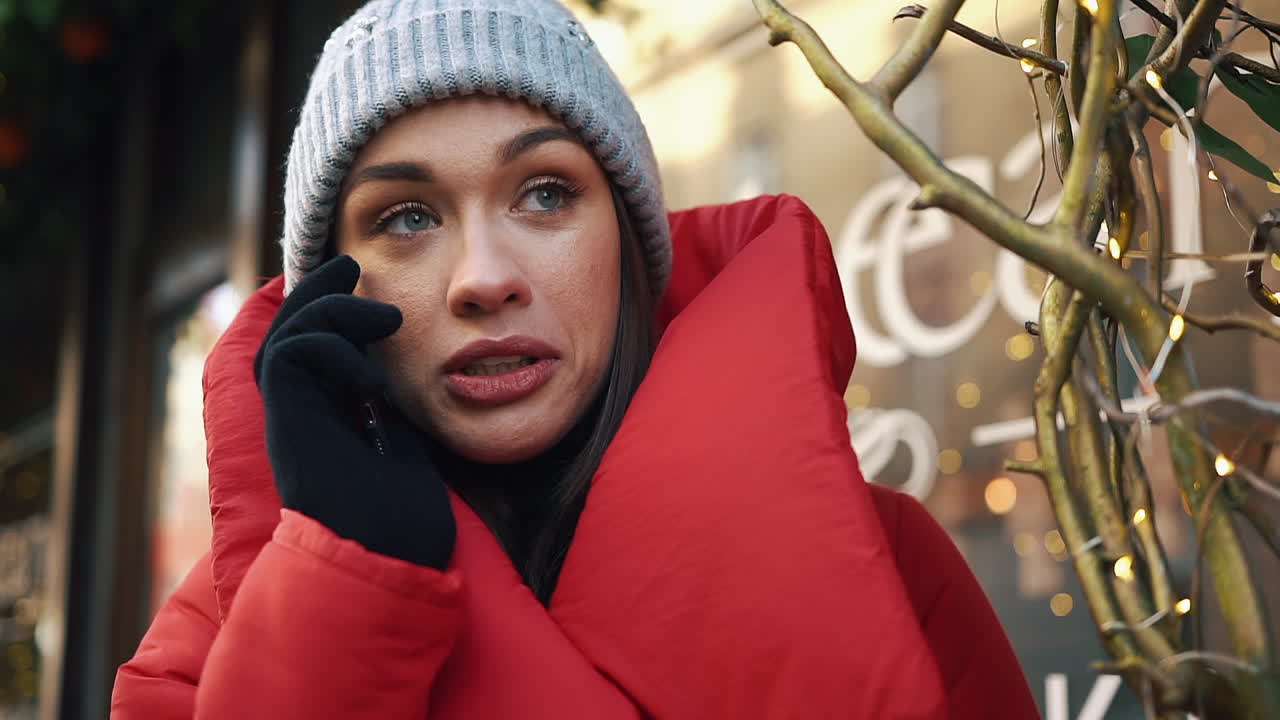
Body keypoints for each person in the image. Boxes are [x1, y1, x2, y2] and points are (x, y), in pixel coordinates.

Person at [110, 0, 1039, 717]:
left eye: (546, 193)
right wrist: (339, 593)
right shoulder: (208, 645)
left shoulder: (889, 571)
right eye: (407, 217)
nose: (483, 277)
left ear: (629, 246)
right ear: (331, 296)